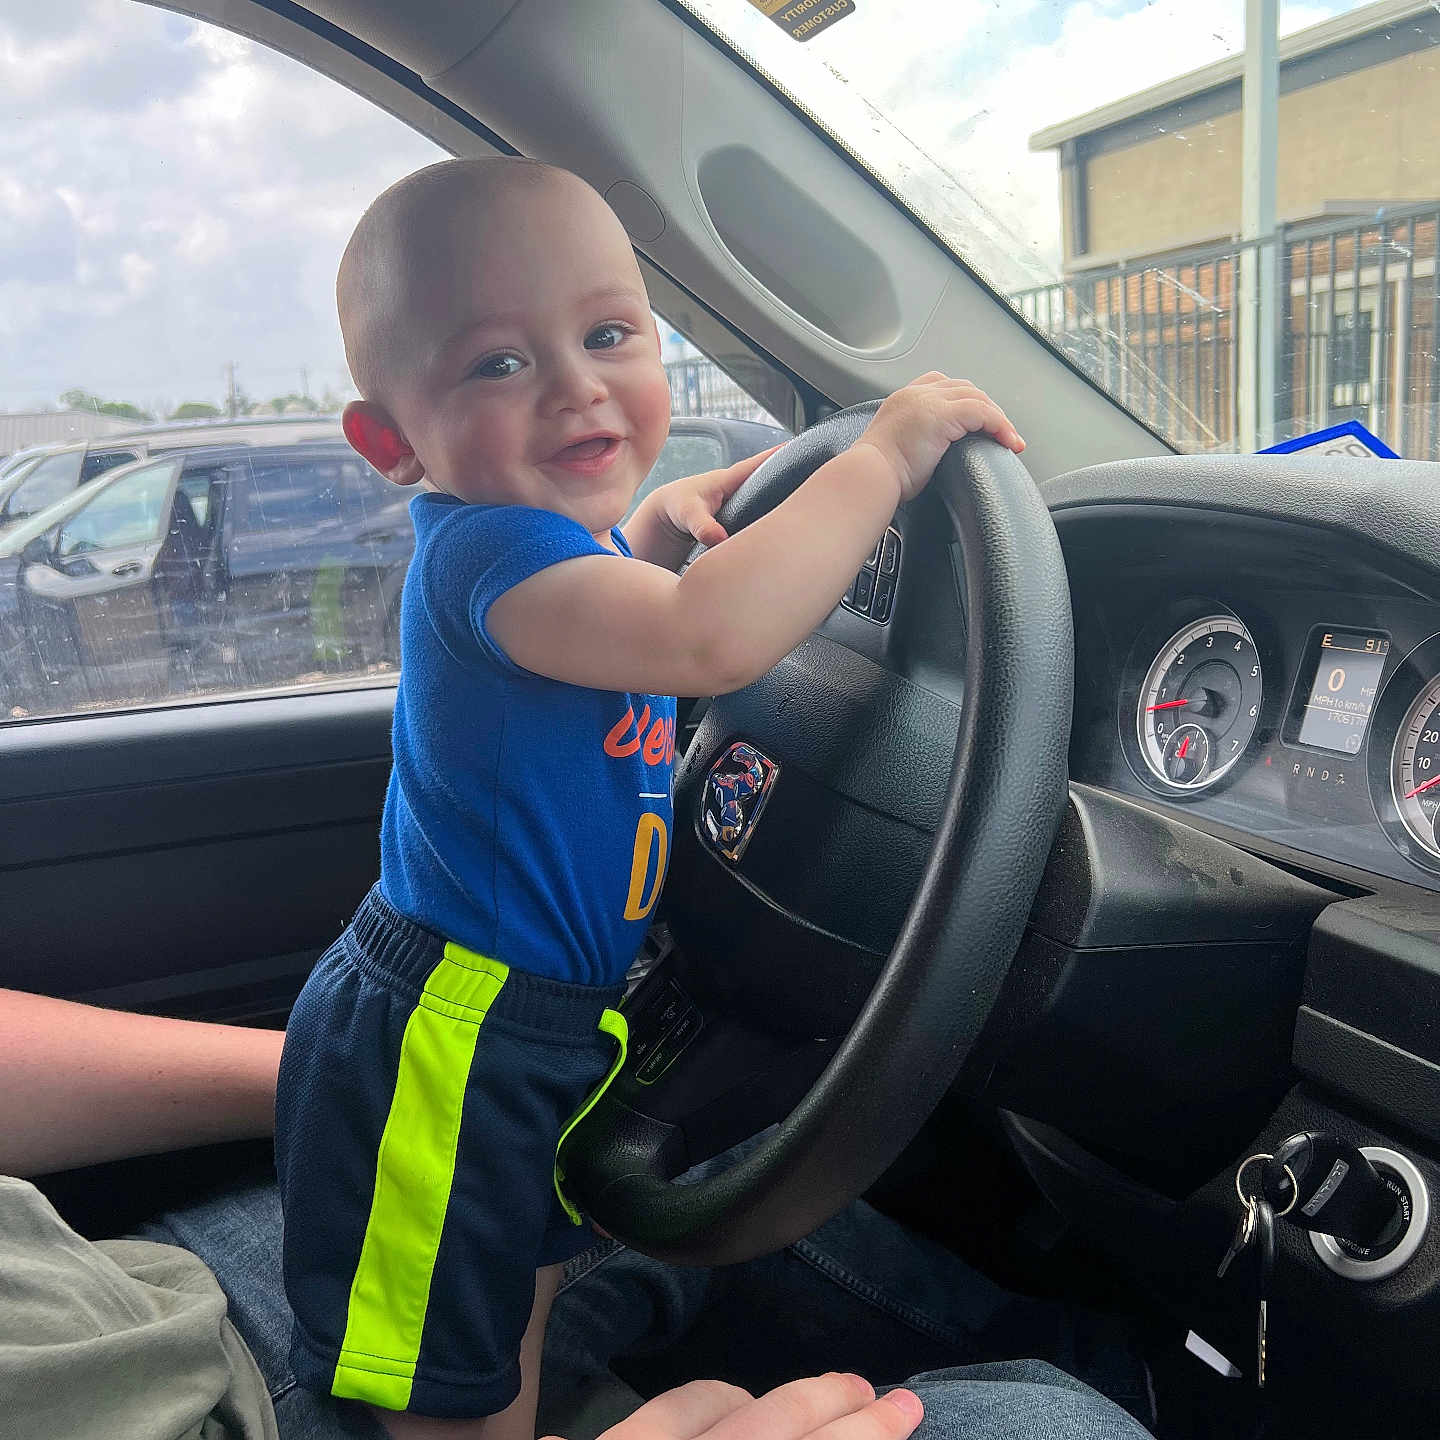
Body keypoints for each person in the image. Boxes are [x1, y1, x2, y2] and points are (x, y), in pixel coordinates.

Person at [275, 154, 1031, 1440]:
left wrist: (656, 533)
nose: (576, 384)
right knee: (444, 1362)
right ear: (392, 444)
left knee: (513, 1277)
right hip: (453, 1031)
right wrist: (881, 461)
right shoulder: (484, 551)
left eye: (609, 334)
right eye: (498, 363)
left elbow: (622, 607)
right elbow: (703, 639)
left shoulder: (551, 557)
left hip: (532, 1014)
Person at [0, 987, 1156, 1440]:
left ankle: (1126, 1366)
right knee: (1053, 1430)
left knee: (681, 1161)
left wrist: (369, 1089)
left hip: (122, 1300)